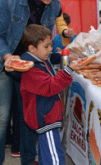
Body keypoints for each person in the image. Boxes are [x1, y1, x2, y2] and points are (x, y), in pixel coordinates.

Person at [0, 0, 72, 165]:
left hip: (32, 69)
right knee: (2, 119)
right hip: (4, 64)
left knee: (31, 118)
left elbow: (44, 39)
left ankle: (28, 161)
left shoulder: (54, 5)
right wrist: (7, 57)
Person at [18, 24, 79, 165]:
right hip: (46, 118)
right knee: (55, 157)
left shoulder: (38, 60)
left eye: (51, 45)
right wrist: (68, 71)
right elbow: (50, 86)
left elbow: (52, 58)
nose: (50, 49)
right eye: (46, 47)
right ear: (32, 49)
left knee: (47, 155)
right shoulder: (31, 68)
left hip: (46, 114)